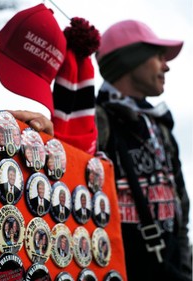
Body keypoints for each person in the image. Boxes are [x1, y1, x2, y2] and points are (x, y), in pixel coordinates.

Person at [95, 20, 191, 281]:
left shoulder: (160, 127)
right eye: (159, 57)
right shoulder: (95, 120)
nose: (166, 66)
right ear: (130, 59)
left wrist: (185, 271)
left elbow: (181, 207)